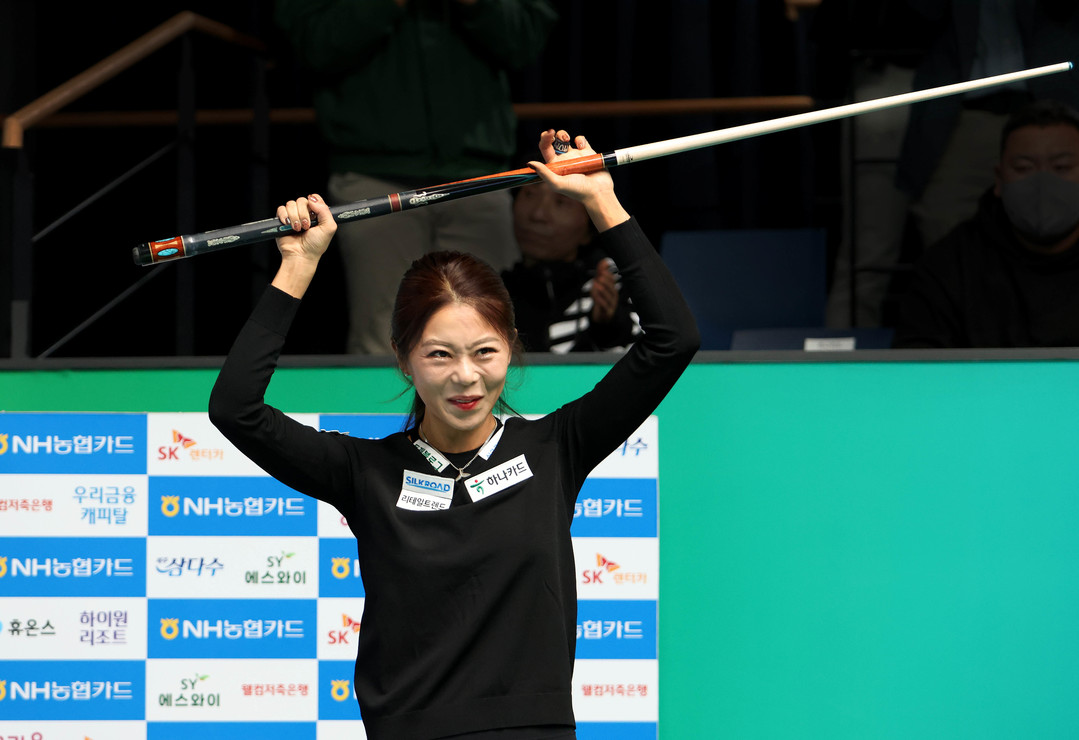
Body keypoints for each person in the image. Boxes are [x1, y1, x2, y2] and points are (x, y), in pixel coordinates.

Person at [207, 129, 700, 739]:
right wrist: (298, 266)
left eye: (485, 351)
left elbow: (672, 339)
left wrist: (602, 201)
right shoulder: (364, 472)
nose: (466, 376)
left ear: (511, 350)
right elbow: (236, 408)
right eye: (439, 355)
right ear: (403, 360)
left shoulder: (556, 449)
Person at [273, 0, 558, 355]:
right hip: (374, 173)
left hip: (478, 177)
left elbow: (525, 41)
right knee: (385, 338)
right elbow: (316, 44)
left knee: (487, 330)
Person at [893, 100, 1079, 348]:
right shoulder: (949, 266)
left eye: (1062, 167)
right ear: (999, 180)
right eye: (1024, 168)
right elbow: (918, 359)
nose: (1042, 182)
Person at [501, 180, 641, 353]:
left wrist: (609, 325)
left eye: (561, 202)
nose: (538, 214)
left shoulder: (618, 282)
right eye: (530, 194)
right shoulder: (493, 292)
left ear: (591, 221)